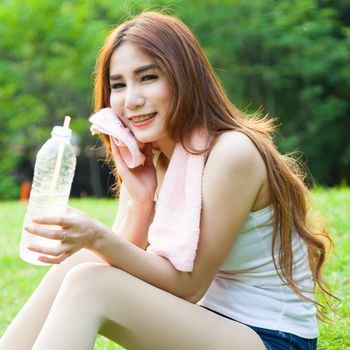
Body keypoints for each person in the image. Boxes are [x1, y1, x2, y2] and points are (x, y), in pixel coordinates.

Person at [0, 11, 333, 350]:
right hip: (205, 323)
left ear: (184, 77)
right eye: (118, 85)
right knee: (80, 266)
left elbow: (189, 287)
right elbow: (119, 264)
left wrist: (96, 236)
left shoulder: (232, 152)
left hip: (270, 338)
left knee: (90, 284)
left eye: (148, 78)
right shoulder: (154, 156)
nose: (131, 99)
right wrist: (141, 200)